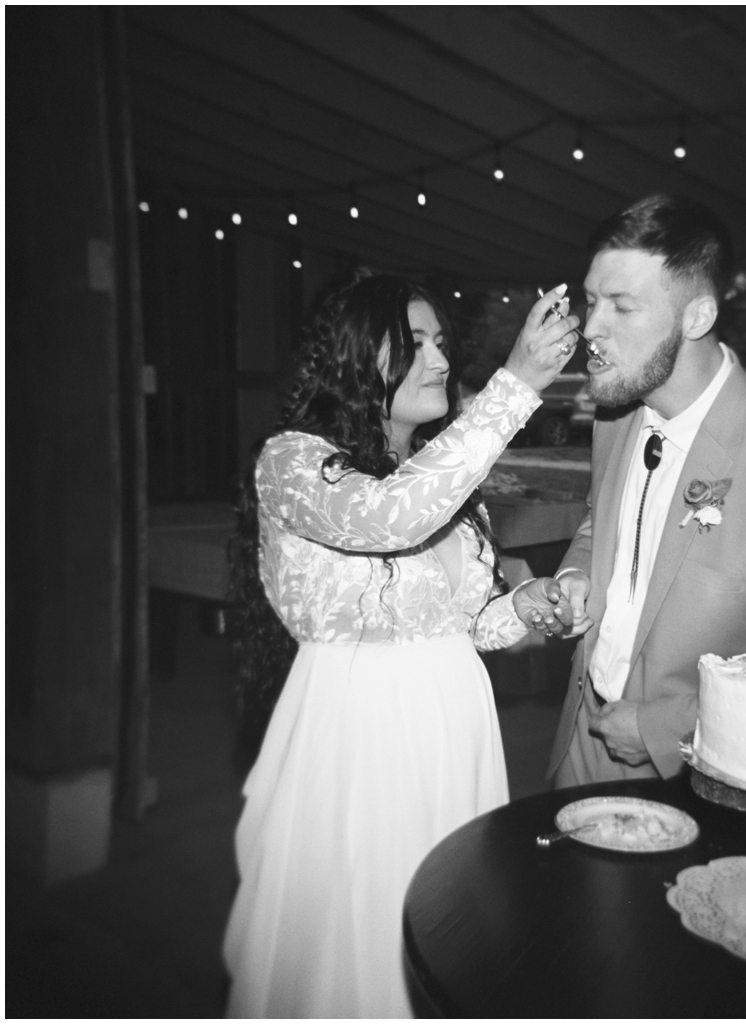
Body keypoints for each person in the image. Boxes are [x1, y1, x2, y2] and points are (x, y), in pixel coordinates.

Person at [223, 273, 581, 1018]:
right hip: (361, 740)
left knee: (449, 937)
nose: (441, 360)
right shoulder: (291, 462)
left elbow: (470, 623)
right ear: (355, 358)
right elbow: (390, 519)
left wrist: (528, 607)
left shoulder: (444, 480)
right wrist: (514, 385)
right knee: (362, 951)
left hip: (455, 735)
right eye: (412, 343)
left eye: (442, 342)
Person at [546, 194, 746, 787]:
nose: (590, 330)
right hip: (580, 736)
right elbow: (601, 524)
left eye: (622, 307)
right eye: (591, 302)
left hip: (694, 779)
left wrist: (662, 729)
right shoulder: (617, 414)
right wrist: (577, 576)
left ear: (696, 317)